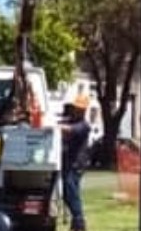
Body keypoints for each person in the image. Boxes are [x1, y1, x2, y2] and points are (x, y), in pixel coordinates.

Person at [60, 94, 91, 231]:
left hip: (76, 164)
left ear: (84, 110)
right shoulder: (72, 121)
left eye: (79, 108)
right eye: (75, 108)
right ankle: (76, 222)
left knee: (70, 191)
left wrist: (54, 126)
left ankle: (79, 221)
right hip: (69, 163)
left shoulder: (83, 126)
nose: (76, 110)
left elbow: (69, 130)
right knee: (69, 192)